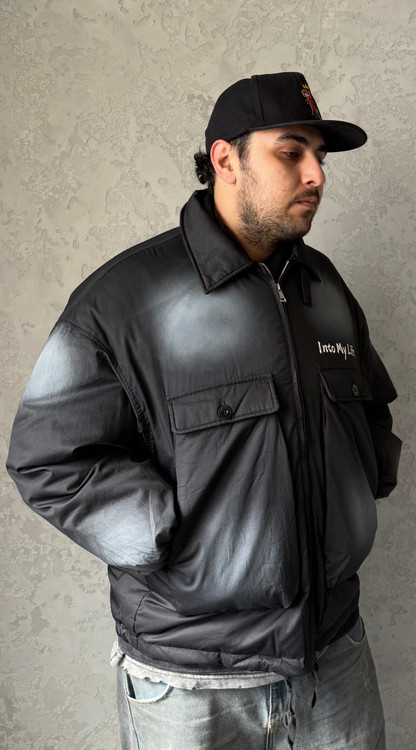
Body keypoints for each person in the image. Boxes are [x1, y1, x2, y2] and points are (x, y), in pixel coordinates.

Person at [7, 72, 401, 749]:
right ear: (226, 159)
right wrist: (173, 540)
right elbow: (47, 460)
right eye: (291, 152)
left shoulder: (326, 289)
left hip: (333, 659)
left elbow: (373, 415)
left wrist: (359, 492)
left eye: (319, 157)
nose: (316, 175)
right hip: (190, 686)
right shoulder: (125, 301)